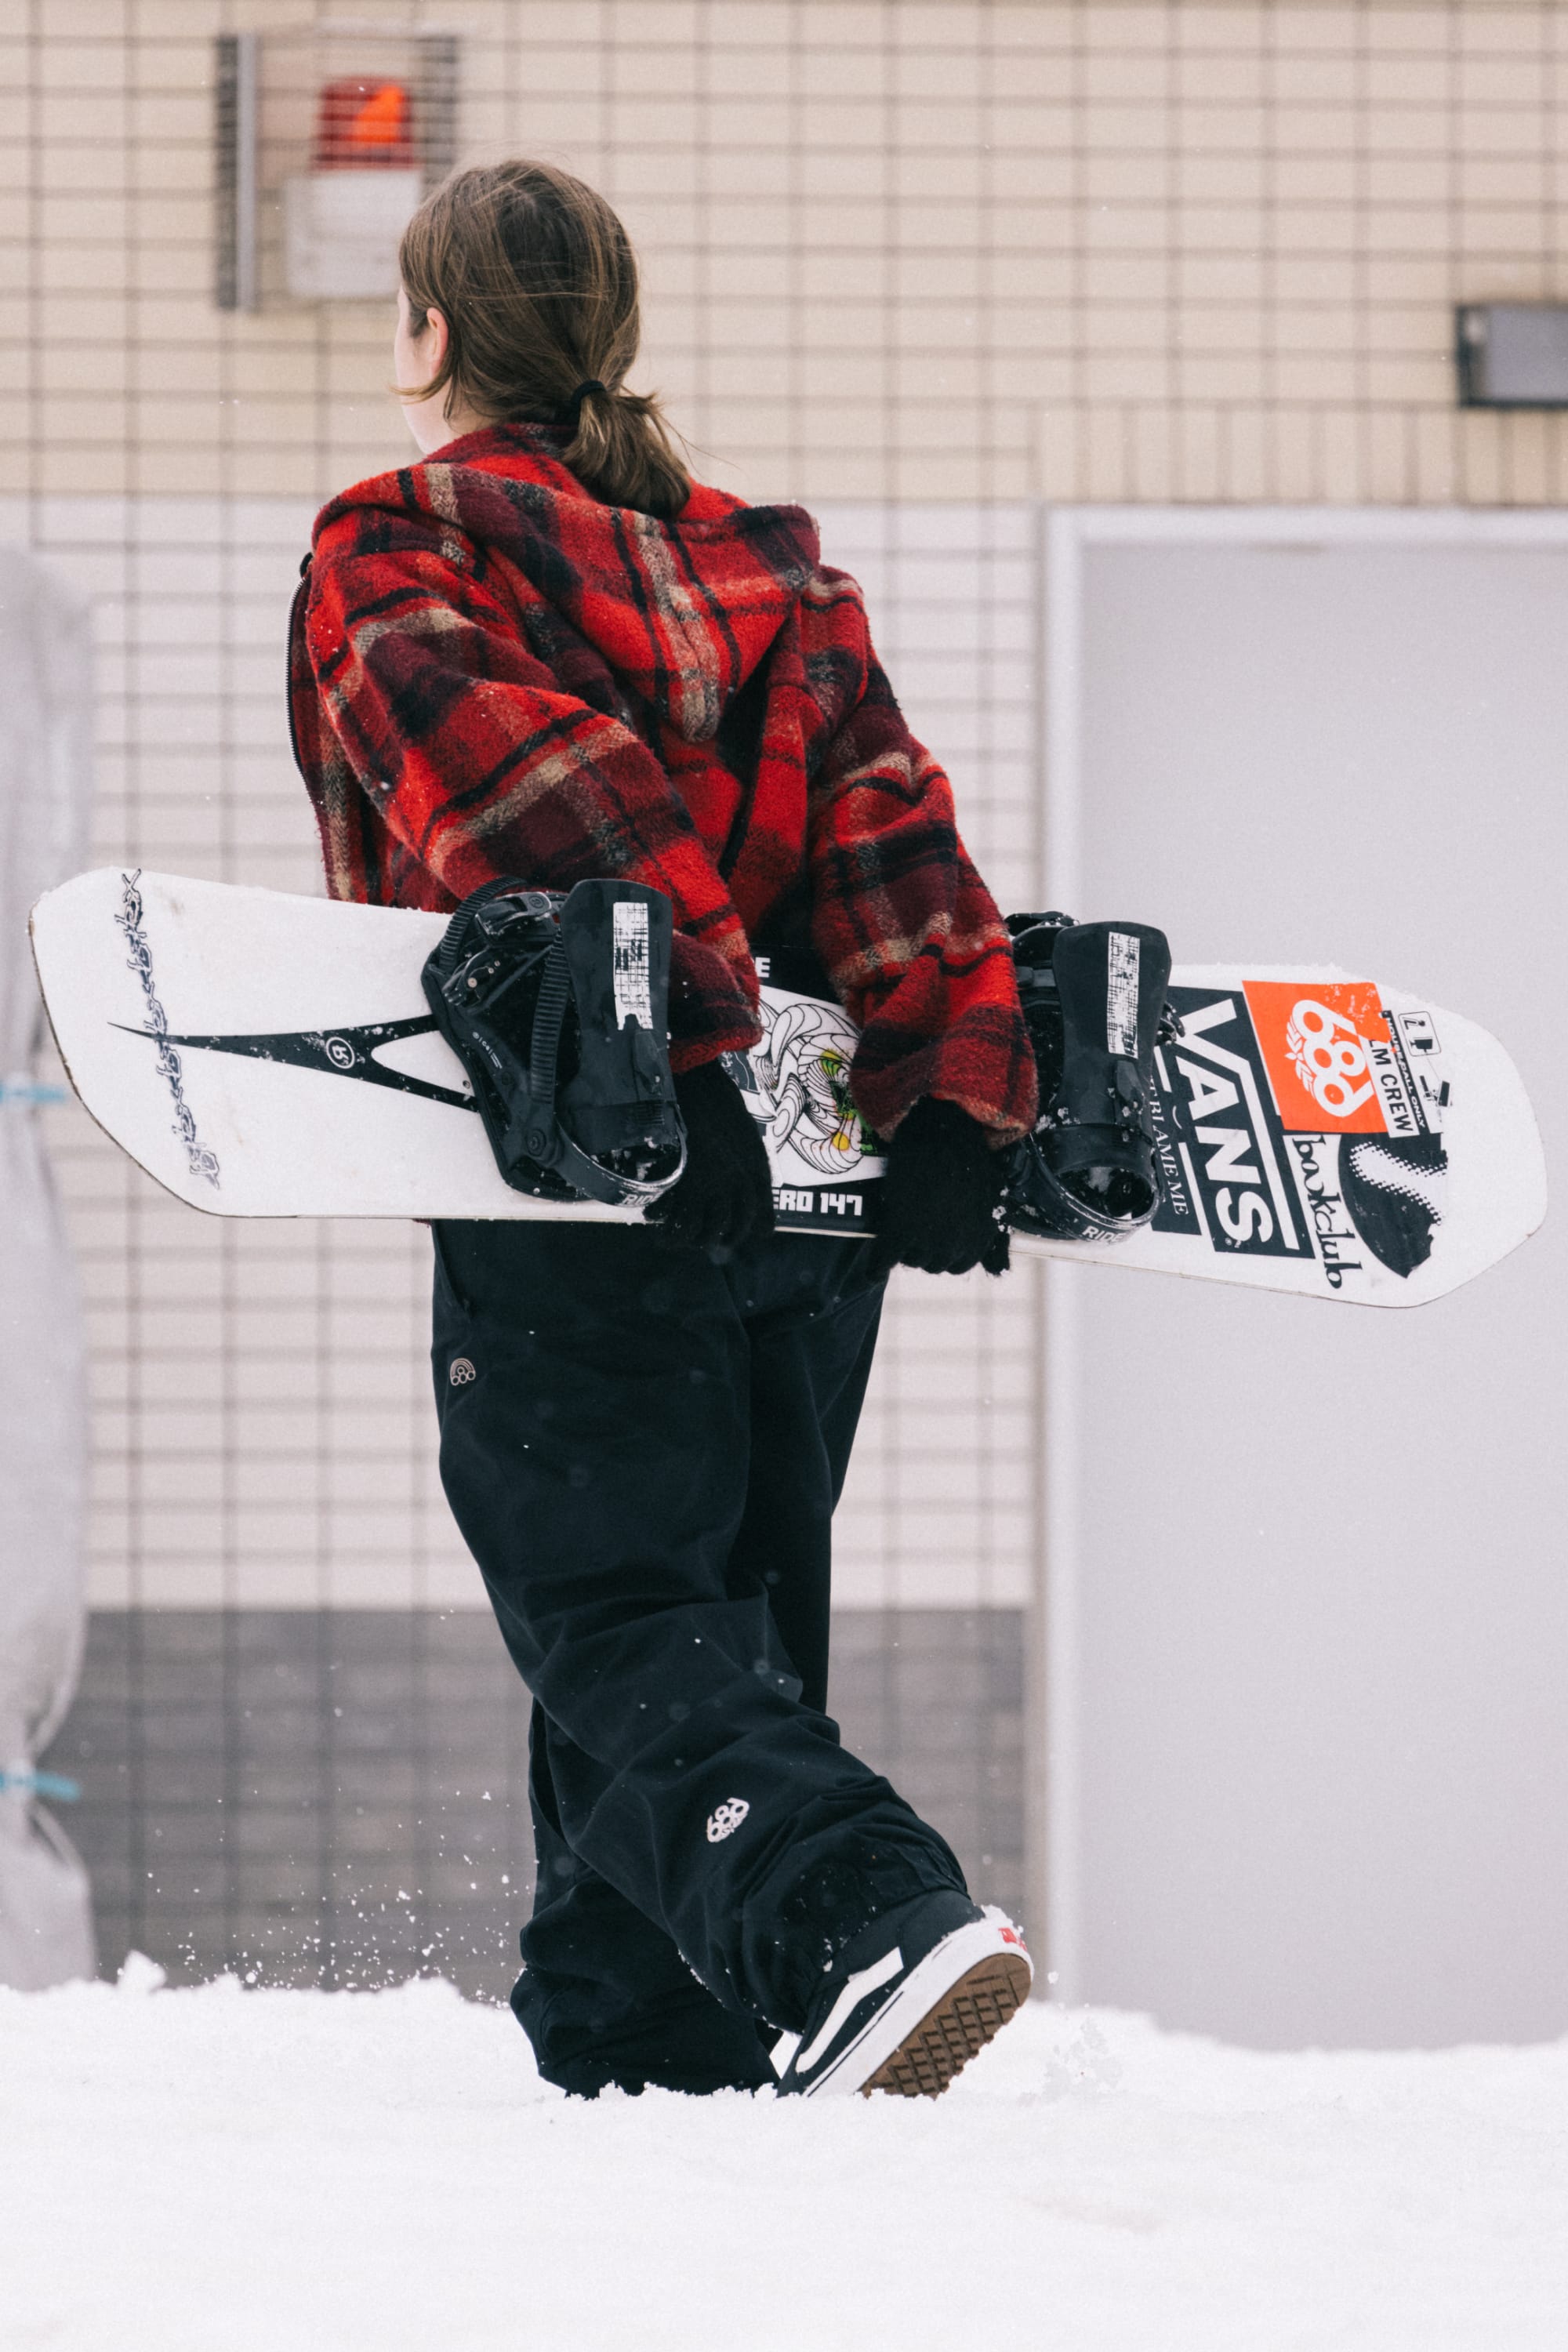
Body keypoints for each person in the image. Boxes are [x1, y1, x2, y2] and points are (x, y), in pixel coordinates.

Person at [289, 159, 1038, 2099]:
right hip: (806, 1200)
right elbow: (895, 836)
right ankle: (653, 2037)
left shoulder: (401, 545)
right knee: (731, 1606)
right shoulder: (776, 572)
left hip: (596, 1154)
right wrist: (950, 1092)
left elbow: (543, 802)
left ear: (433, 333)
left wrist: (680, 1051)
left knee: (607, 1598)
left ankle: (859, 1910)